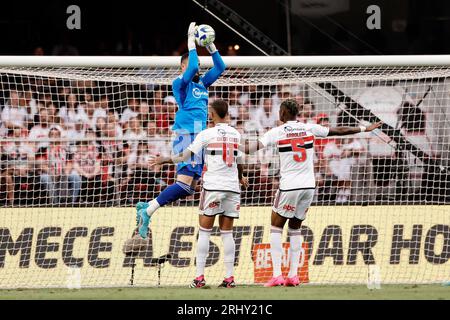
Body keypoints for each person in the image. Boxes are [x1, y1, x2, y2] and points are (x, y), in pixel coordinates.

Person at [243, 99, 382, 287]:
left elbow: (252, 148)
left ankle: (277, 275)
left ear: (283, 113)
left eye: (280, 111)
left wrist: (232, 146)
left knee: (276, 227)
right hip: (309, 186)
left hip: (289, 186)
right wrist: (365, 128)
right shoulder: (310, 128)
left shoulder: (276, 132)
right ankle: (293, 275)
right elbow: (339, 131)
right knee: (295, 229)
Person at [136, 22, 226, 237]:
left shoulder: (202, 85)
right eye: (188, 64)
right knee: (184, 185)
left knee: (190, 187)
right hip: (187, 135)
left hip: (199, 136)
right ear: (182, 68)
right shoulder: (180, 84)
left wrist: (211, 45)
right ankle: (148, 210)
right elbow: (194, 66)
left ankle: (147, 207)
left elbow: (221, 67)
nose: (195, 67)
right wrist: (191, 40)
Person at [149, 100, 248, 288]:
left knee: (204, 232)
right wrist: (241, 177)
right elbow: (240, 161)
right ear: (227, 113)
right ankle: (229, 278)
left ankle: (199, 278)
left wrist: (164, 160)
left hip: (213, 187)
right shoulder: (236, 134)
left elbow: (185, 156)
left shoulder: (206, 133)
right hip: (232, 188)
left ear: (212, 114)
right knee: (227, 233)